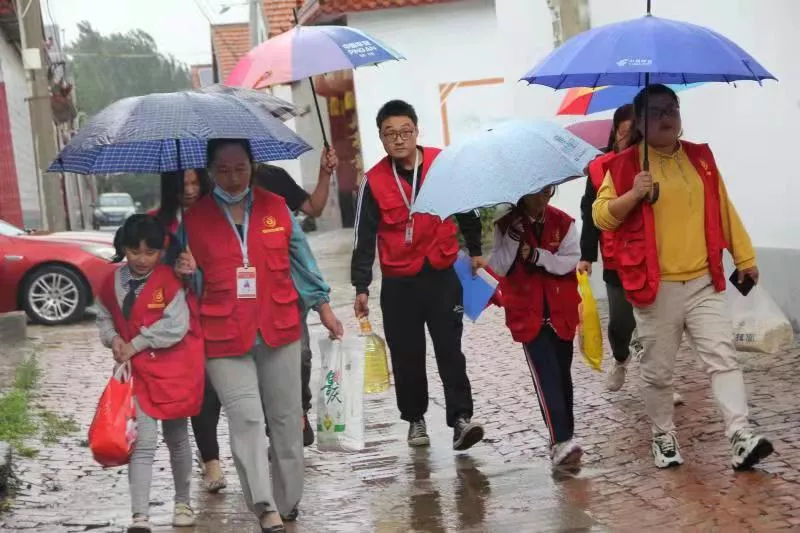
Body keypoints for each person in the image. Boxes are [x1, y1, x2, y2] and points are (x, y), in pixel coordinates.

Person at [592, 84, 773, 470]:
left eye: (671, 108)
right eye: (656, 111)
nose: (667, 116)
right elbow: (601, 216)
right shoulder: (624, 166)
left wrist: (744, 256)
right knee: (658, 371)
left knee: (722, 357)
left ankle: (740, 435)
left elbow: (723, 207)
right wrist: (634, 195)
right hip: (656, 288)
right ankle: (663, 434)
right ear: (639, 122)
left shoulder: (699, 158)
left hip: (702, 280)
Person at [175, 139, 343, 533]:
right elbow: (187, 285)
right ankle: (264, 505)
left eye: (240, 168)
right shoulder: (194, 220)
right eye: (223, 170)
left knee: (285, 419)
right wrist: (186, 271)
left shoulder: (275, 207)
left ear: (252, 165)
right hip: (223, 336)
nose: (233, 178)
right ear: (210, 171)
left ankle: (287, 501)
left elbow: (302, 262)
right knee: (246, 418)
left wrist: (324, 308)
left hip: (278, 327)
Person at [352, 99, 485, 451]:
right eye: (389, 134)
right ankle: (415, 419)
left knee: (450, 351)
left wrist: (475, 250)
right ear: (381, 138)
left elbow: (466, 206)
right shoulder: (374, 181)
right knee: (407, 355)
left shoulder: (442, 164)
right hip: (399, 282)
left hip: (441, 274)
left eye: (405, 131)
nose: (399, 139)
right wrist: (361, 286)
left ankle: (460, 418)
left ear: (416, 130)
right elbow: (363, 236)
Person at [95, 215, 205, 533]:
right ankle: (139, 516)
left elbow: (176, 325)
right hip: (137, 376)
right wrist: (113, 339)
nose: (142, 259)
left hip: (174, 374)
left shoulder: (172, 281)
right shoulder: (110, 282)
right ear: (122, 248)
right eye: (134, 251)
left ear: (161, 251)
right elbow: (103, 317)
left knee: (177, 438)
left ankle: (183, 502)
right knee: (142, 443)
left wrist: (137, 343)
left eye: (150, 252)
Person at [577, 105, 684, 406]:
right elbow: (590, 213)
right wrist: (587, 255)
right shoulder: (601, 168)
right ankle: (621, 357)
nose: (625, 138)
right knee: (621, 323)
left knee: (659, 325)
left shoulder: (653, 162)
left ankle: (661, 383)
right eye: (621, 132)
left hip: (653, 255)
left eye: (631, 132)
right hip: (617, 258)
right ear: (614, 132)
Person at [487, 186, 582, 470]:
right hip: (528, 313)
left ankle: (564, 438)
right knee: (546, 376)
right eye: (537, 193)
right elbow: (500, 267)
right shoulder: (505, 225)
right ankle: (561, 440)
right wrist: (514, 238)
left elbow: (569, 260)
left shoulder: (563, 222)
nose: (543, 199)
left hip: (560, 311)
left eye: (548, 192)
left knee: (563, 377)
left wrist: (538, 256)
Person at [253, 148, 338, 447]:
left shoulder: (273, 181)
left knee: (300, 354)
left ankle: (299, 409)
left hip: (286, 290)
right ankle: (273, 423)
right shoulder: (213, 193)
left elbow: (312, 210)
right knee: (257, 361)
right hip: (245, 300)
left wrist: (325, 173)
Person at [150, 169, 212, 235]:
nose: (189, 191)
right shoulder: (152, 220)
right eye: (183, 185)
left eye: (195, 183)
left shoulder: (216, 216)